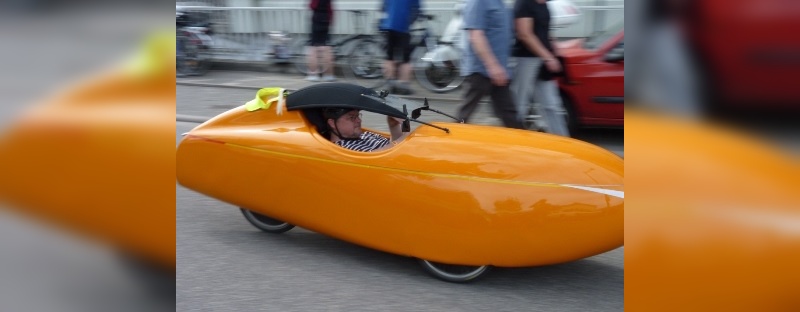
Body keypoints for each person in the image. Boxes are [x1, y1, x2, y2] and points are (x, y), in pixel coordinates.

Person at [456, 0, 524, 129]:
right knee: (463, 116)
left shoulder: (501, 4)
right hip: (480, 71)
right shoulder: (478, 2)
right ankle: (447, 143)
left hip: (499, 72)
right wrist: (493, 66)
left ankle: (523, 145)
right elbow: (476, 36)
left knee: (510, 115)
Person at [510, 0, 569, 136]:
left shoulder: (543, 4)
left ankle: (562, 141)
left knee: (551, 105)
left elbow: (543, 30)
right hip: (525, 59)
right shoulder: (524, 4)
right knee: (520, 104)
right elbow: (525, 34)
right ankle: (513, 141)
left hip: (543, 60)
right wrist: (548, 57)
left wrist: (553, 45)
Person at [379, 0, 420, 95]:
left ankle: (391, 84)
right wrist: (410, 21)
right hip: (403, 27)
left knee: (389, 57)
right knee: (406, 60)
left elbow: (383, 7)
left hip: (389, 26)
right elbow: (417, 10)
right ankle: (404, 86)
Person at [323, 108, 407, 152]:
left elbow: (391, 146)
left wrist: (394, 127)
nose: (359, 120)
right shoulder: (342, 149)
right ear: (332, 123)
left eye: (358, 116)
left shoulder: (364, 134)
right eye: (352, 118)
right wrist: (407, 134)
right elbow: (381, 157)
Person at [306, 0, 336, 82]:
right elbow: (330, 9)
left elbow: (312, 6)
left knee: (314, 48)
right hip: (326, 20)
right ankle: (329, 75)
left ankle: (313, 75)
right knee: (326, 48)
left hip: (317, 20)